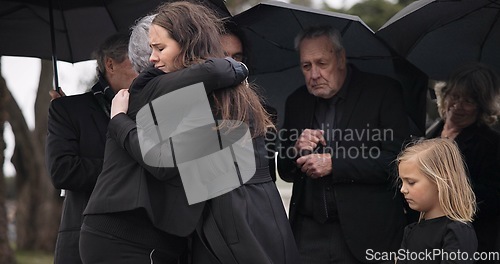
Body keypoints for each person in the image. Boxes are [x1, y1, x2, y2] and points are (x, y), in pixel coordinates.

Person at [81, 3, 299, 263]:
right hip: (259, 212)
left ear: (187, 44)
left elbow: (165, 160)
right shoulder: (238, 91)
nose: (152, 59)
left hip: (233, 217)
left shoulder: (198, 91)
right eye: (152, 49)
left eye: (160, 48)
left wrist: (118, 121)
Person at [277, 25, 409, 263]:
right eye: (306, 66)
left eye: (321, 63)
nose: (314, 74)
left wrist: (334, 164)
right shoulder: (296, 101)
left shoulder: (383, 92)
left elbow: (397, 162)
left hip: (367, 233)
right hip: (307, 234)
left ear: (341, 58)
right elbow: (285, 171)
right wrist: (295, 150)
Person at [45, 33, 138, 264]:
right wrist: (127, 168)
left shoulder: (151, 106)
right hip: (84, 236)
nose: (145, 67)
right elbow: (63, 171)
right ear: (110, 64)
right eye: (136, 60)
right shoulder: (69, 110)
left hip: (143, 240)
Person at [426, 62, 500, 260]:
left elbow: (493, 197)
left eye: (468, 101)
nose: (458, 106)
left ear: (482, 106)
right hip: (426, 240)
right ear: (445, 95)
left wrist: (449, 187)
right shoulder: (428, 132)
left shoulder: (491, 144)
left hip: (467, 243)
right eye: (455, 96)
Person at [397, 138, 477, 263]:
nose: (403, 189)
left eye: (411, 182)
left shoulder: (456, 231)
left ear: (441, 180)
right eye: (402, 182)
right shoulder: (410, 231)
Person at [221, 21, 279, 181]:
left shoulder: (265, 113)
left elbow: (268, 177)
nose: (231, 63)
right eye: (223, 55)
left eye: (236, 57)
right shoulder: (199, 108)